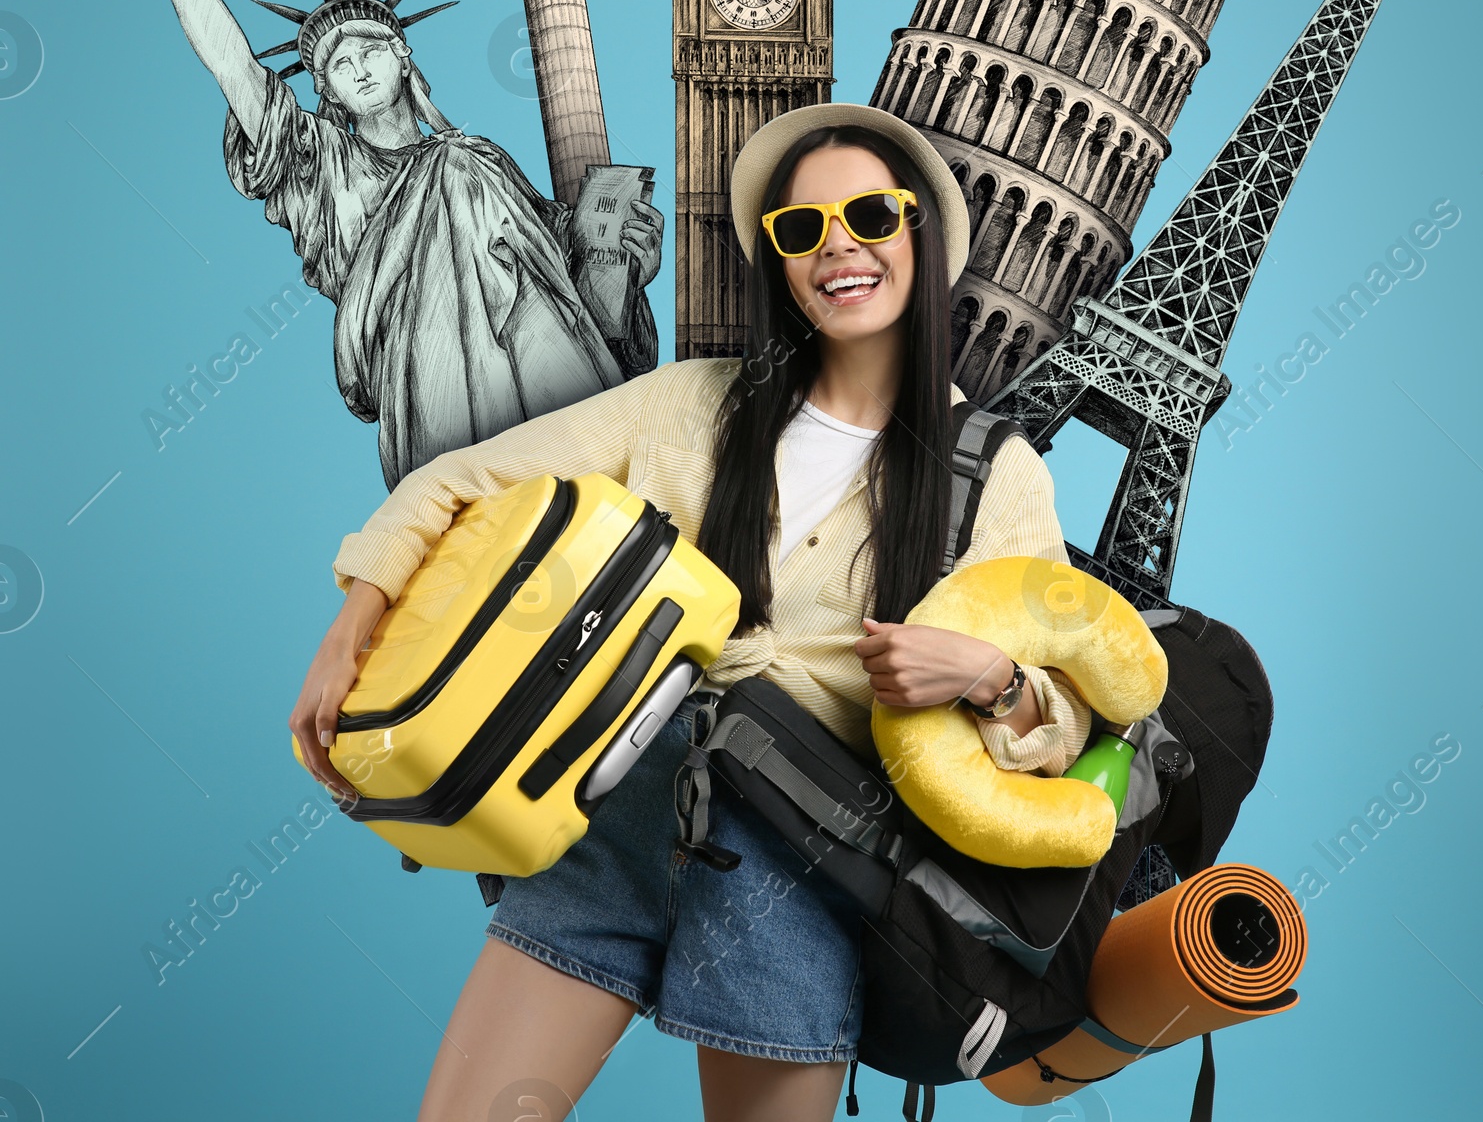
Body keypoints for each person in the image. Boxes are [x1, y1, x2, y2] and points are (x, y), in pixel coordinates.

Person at [290, 103, 1101, 1122]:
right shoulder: (690, 403)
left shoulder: (993, 473)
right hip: (608, 817)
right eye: (800, 229)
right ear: (776, 259)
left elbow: (1067, 719)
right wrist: (351, 623)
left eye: (868, 215)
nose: (836, 246)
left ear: (921, 233)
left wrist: (985, 677)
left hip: (799, 867)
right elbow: (460, 480)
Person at [113, 0, 662, 490]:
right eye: (337, 66)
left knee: (457, 161)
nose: (357, 68)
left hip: (551, 364)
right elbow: (237, 72)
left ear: (402, 57)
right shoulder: (322, 166)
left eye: (370, 50)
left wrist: (630, 258)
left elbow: (573, 265)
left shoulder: (479, 159)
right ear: (328, 93)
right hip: (428, 383)